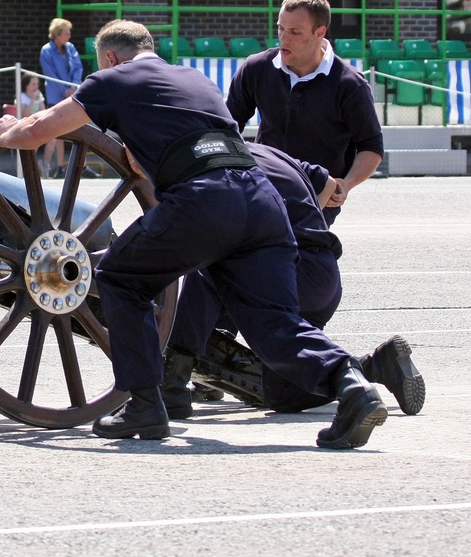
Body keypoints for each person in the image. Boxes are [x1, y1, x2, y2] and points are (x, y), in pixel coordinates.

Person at [0, 18, 389, 450]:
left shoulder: (112, 80)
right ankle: (353, 385)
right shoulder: (195, 80)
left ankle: (145, 402)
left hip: (205, 199)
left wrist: (4, 132)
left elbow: (38, 131)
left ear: (110, 58)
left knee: (120, 279)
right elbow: (159, 155)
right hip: (261, 202)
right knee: (275, 322)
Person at [162, 142, 426, 418]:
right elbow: (329, 184)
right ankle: (375, 366)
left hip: (288, 273)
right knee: (283, 394)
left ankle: (173, 384)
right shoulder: (266, 153)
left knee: (207, 266)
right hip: (323, 273)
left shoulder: (209, 163)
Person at [226, 0, 384, 225]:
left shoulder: (350, 84)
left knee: (298, 247)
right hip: (265, 185)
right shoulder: (256, 69)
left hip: (317, 194)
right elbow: (227, 126)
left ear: (320, 32)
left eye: (295, 32)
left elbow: (371, 146)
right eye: (281, 28)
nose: (284, 38)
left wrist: (347, 184)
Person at [39, 18, 83, 178]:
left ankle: (76, 167)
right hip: (56, 95)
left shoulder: (70, 48)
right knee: (57, 133)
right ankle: (56, 166)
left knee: (77, 128)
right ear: (57, 34)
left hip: (72, 93)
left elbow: (78, 67)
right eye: (66, 33)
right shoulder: (46, 51)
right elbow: (50, 75)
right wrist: (65, 90)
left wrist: (73, 86)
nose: (69, 36)